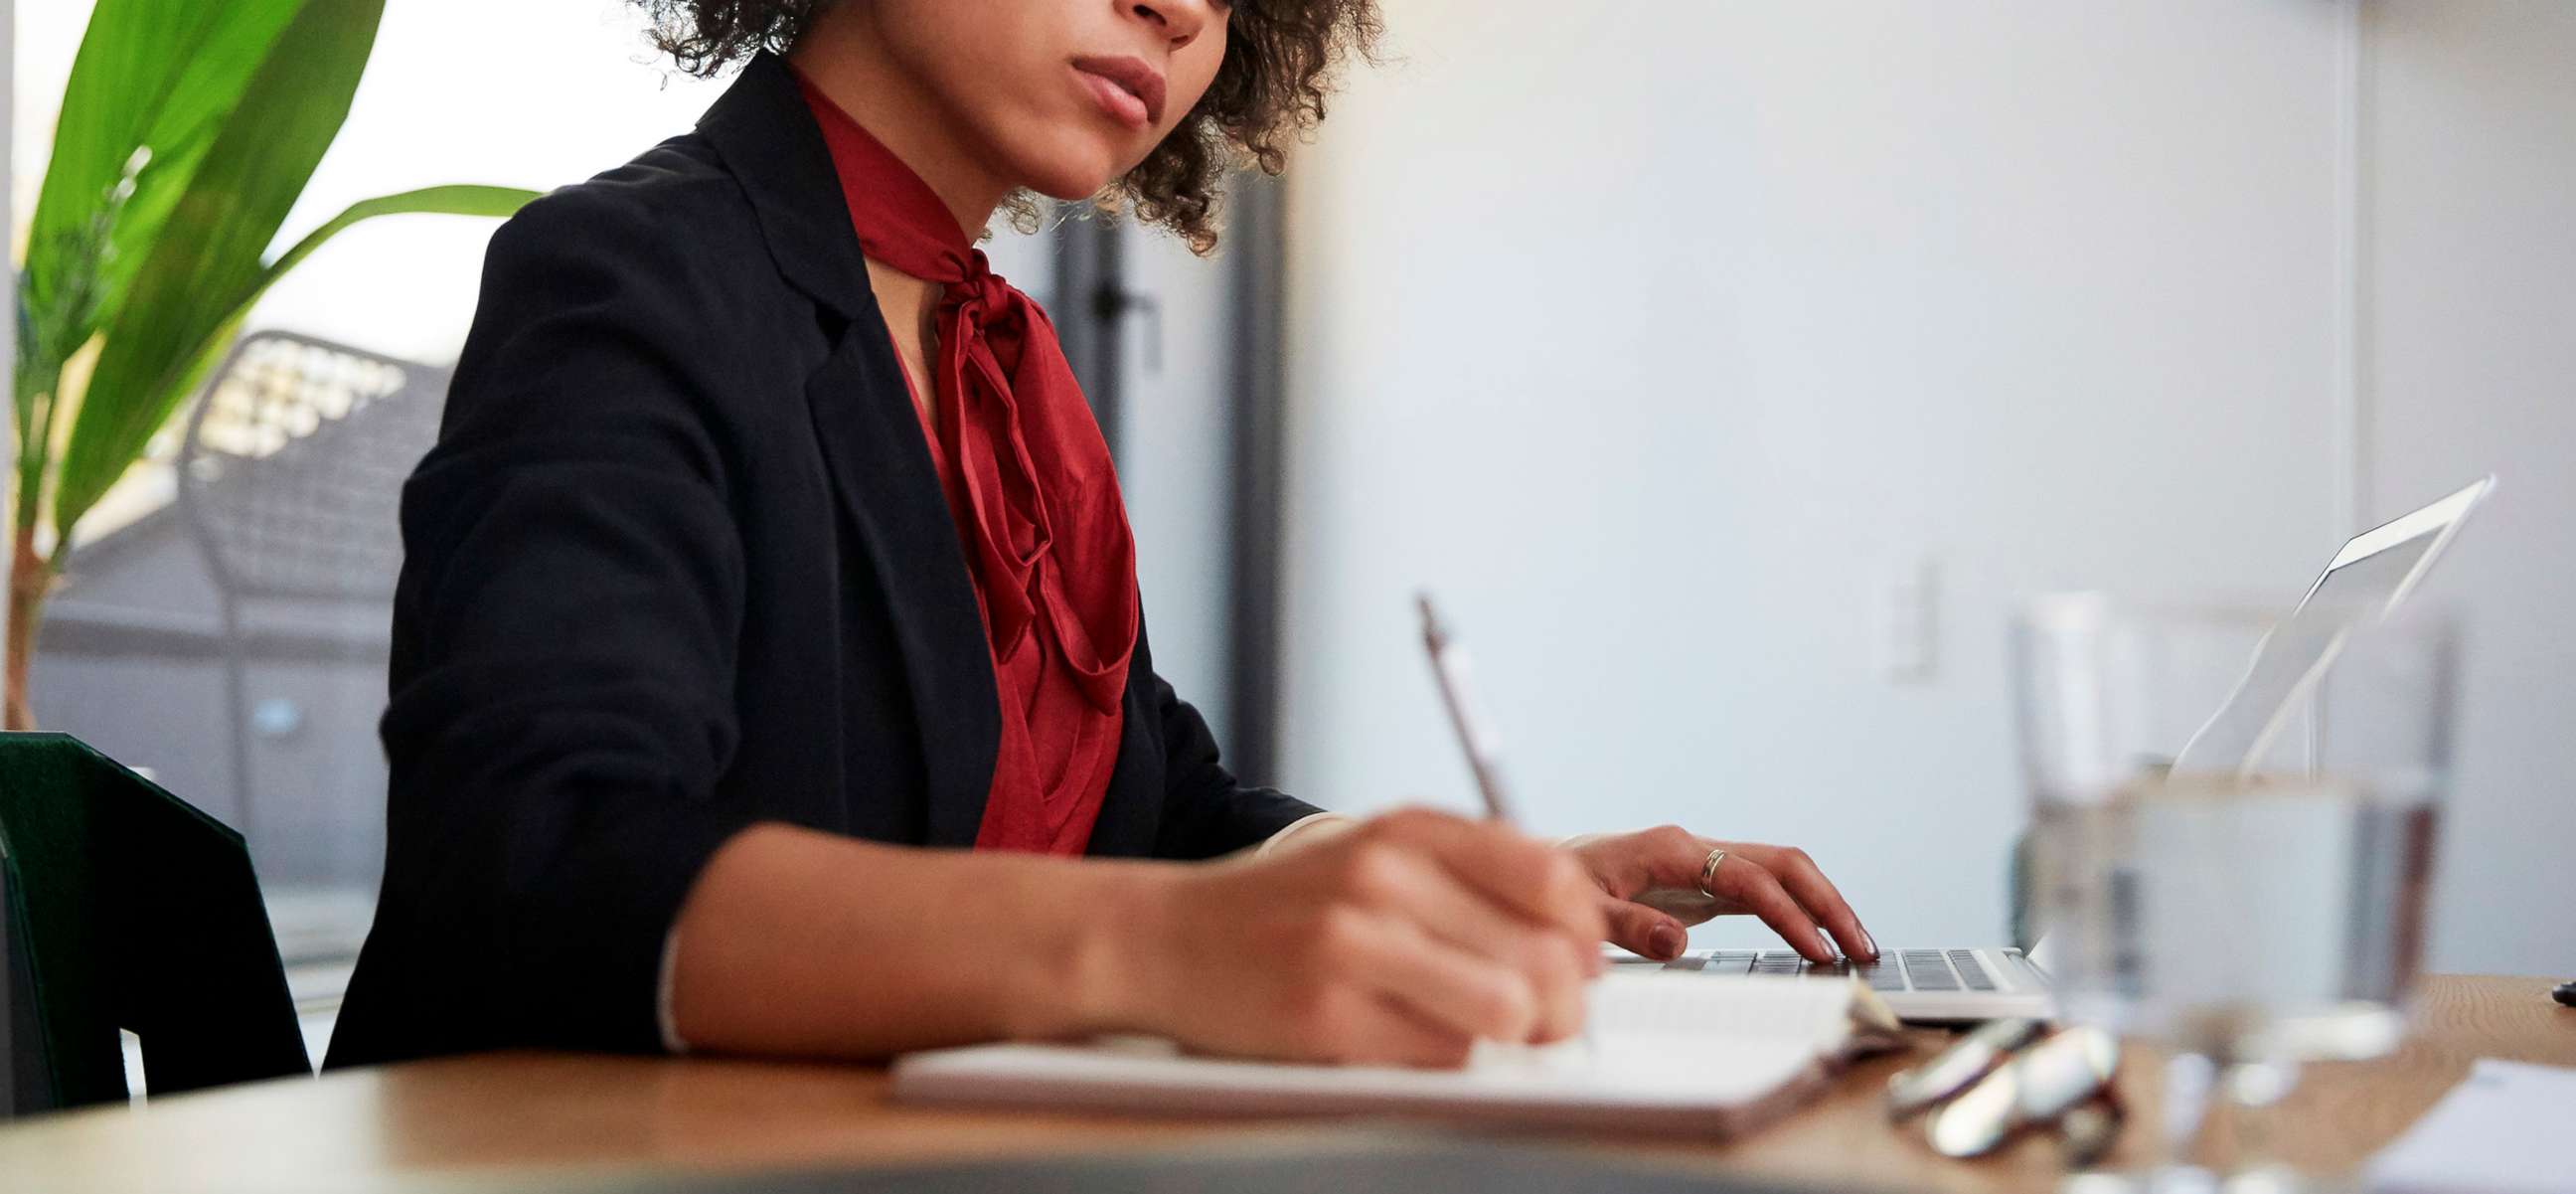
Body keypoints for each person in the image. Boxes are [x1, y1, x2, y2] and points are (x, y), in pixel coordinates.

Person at [327, 0, 1876, 1072]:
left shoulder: (1001, 375)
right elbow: (536, 860)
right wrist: (1154, 949)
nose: (1184, 11)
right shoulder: (628, 275)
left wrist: (1464, 882)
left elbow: (1159, 802)